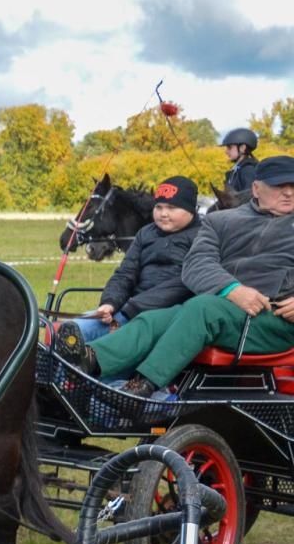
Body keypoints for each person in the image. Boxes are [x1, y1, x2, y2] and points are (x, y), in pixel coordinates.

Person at [56, 156, 294, 397]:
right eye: (278, 186)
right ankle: (87, 359)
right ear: (256, 188)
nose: (288, 193)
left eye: (293, 187)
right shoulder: (222, 221)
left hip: (273, 320)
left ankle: (142, 385)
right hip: (226, 311)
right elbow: (196, 263)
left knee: (201, 307)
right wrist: (232, 289)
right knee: (155, 320)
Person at [60, 175, 202, 344]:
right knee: (66, 334)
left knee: (80, 336)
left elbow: (181, 287)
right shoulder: (145, 233)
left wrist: (130, 309)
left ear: (190, 209)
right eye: (159, 207)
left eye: (172, 208)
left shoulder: (202, 238)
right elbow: (125, 274)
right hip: (130, 310)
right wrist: (110, 303)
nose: (164, 214)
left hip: (164, 316)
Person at [223, 127, 259, 196]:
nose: (226, 151)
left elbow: (248, 199)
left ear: (242, 148)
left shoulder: (248, 171)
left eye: (229, 147)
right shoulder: (237, 169)